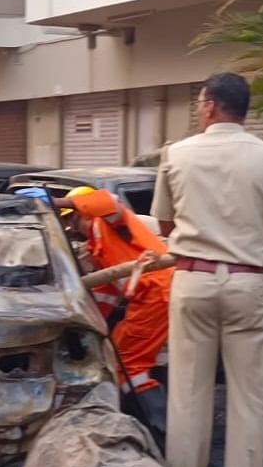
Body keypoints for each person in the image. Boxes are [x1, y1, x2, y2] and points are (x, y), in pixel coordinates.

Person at [151, 73, 263, 467]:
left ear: (210, 106)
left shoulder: (176, 155)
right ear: (243, 109)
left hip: (194, 281)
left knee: (188, 396)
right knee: (250, 399)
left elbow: (166, 226)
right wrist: (258, 231)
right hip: (249, 283)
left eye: (200, 102)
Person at [51, 185, 172, 450]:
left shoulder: (109, 221)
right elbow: (104, 298)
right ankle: (156, 427)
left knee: (129, 365)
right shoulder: (99, 249)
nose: (73, 228)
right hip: (153, 298)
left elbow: (109, 200)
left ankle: (160, 434)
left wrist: (55, 201)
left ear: (82, 211)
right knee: (129, 359)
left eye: (72, 218)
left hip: (155, 296)